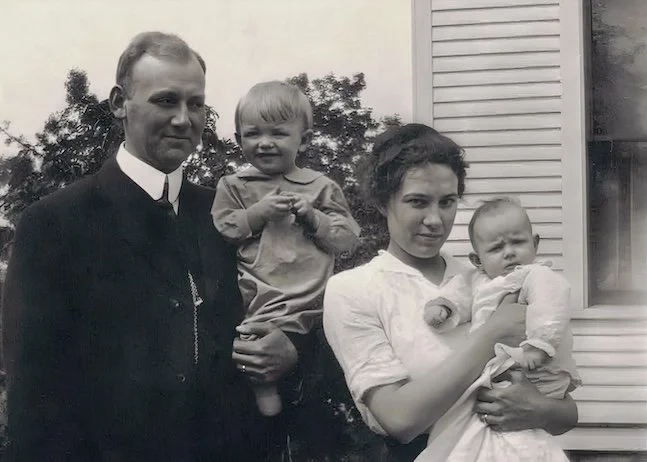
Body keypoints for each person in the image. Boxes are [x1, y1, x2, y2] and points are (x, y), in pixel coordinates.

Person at [1, 31, 269, 461]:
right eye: (166, 100)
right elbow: (35, 405)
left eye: (196, 104)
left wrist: (285, 355)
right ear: (118, 103)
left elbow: (278, 314)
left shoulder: (226, 217)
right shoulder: (53, 225)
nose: (184, 119)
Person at [323, 123, 578, 461]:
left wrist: (537, 408)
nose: (435, 220)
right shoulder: (354, 289)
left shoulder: (485, 278)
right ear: (384, 203)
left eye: (447, 202)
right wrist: (492, 334)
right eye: (417, 202)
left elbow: (566, 410)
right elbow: (399, 419)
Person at [212, 80, 360, 441]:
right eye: (253, 134)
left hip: (314, 295)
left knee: (321, 358)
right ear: (238, 139)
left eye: (278, 133)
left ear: (304, 140)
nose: (264, 142)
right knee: (254, 342)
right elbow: (224, 229)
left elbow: (348, 239)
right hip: (262, 293)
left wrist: (313, 217)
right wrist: (258, 213)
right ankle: (268, 410)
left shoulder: (320, 186)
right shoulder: (235, 185)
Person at [417, 197, 581, 461]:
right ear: (477, 260)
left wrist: (538, 345)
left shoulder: (536, 275)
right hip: (503, 370)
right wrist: (444, 308)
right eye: (496, 248)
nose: (509, 252)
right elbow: (460, 296)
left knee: (524, 434)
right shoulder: (478, 282)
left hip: (540, 367)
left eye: (518, 242)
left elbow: (551, 306)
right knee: (493, 433)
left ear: (535, 244)